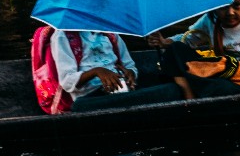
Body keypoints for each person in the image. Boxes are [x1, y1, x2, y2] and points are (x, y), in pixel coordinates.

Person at [33, 26, 183, 113]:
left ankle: (128, 102)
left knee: (173, 89)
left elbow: (130, 66)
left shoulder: (110, 34)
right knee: (80, 107)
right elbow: (67, 81)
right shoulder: (62, 37)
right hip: (91, 98)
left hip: (121, 91)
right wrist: (97, 71)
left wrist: (131, 74)